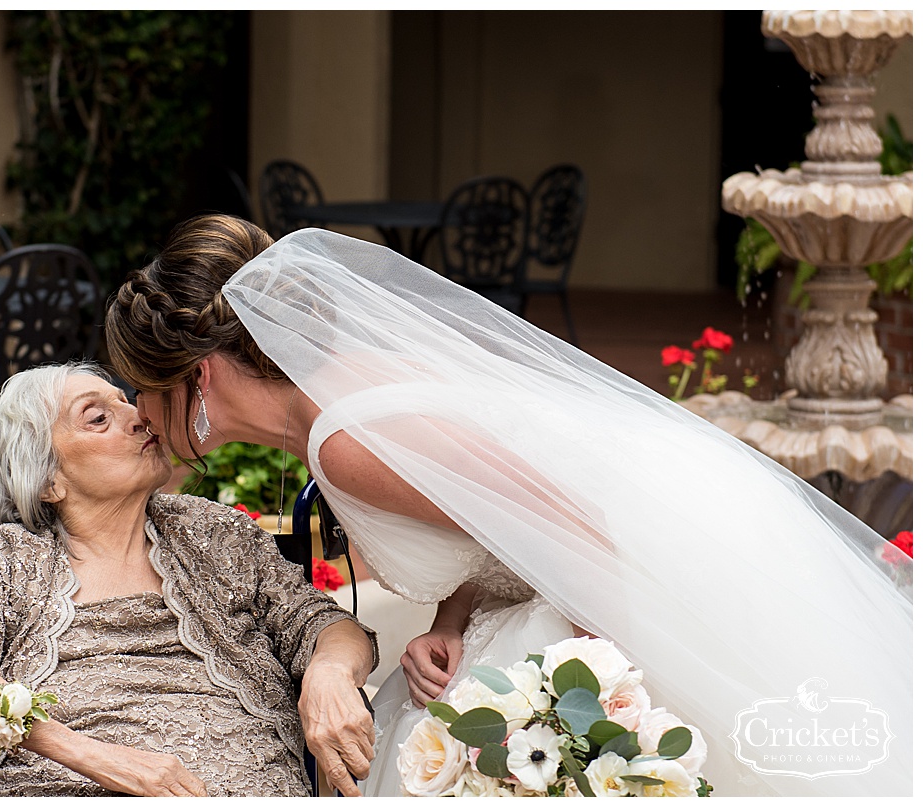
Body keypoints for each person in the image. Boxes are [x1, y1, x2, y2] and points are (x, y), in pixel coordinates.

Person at [102, 214, 912, 797]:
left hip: (627, 581)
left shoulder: (343, 437)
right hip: (577, 570)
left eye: (142, 391)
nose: (139, 414)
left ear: (197, 379)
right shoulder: (332, 408)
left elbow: (572, 518)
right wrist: (450, 624)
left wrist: (593, 700)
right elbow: (493, 519)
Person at [0, 361, 379, 797]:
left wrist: (330, 670)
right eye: (97, 418)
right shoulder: (11, 559)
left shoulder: (213, 532)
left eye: (125, 402)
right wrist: (101, 759)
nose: (138, 418)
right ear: (49, 481)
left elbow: (325, 624)